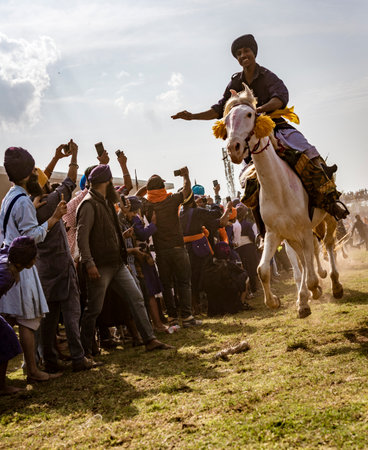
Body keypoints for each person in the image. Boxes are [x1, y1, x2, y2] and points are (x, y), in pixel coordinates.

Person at [172, 33, 348, 222]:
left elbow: (280, 97)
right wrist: (192, 117)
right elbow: (219, 110)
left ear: (254, 52)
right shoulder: (235, 83)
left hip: (277, 127)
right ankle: (264, 228)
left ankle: (332, 201)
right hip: (252, 139)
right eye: (238, 53)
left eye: (246, 50)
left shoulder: (267, 76)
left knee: (308, 151)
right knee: (249, 183)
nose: (242, 55)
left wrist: (257, 111)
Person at [76, 164, 173, 356]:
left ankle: (149, 339)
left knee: (136, 298)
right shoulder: (88, 204)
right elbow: (82, 237)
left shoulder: (105, 202)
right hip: (100, 265)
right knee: (93, 310)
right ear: (107, 182)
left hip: (116, 263)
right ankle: (82, 354)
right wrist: (89, 263)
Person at [0, 147, 66, 383]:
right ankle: (33, 370)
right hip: (21, 268)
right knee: (27, 321)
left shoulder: (10, 197)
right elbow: (32, 236)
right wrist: (54, 218)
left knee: (9, 322)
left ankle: (9, 377)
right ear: (29, 173)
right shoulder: (24, 202)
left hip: (6, 261)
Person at [35, 141, 94, 372]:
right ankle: (78, 358)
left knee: (48, 319)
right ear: (46, 185)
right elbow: (70, 180)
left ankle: (49, 361)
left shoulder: (29, 205)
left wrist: (55, 157)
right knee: (71, 313)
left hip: (43, 270)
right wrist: (74, 155)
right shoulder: (51, 202)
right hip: (62, 265)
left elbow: (39, 180)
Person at [138, 169, 201, 327]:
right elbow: (187, 191)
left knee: (167, 285)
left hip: (161, 251)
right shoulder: (171, 200)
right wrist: (186, 175)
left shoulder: (147, 204)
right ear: (162, 187)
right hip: (178, 248)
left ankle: (172, 318)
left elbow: (138, 196)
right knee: (184, 283)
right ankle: (187, 317)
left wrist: (148, 186)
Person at [0, 237, 37, 394]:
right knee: (8, 339)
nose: (36, 259)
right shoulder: (7, 275)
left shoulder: (8, 257)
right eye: (33, 257)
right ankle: (1, 387)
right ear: (24, 262)